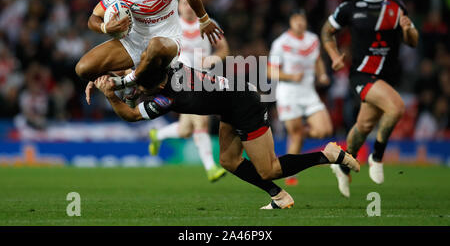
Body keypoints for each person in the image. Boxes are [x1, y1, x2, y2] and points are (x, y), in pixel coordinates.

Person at [90, 60, 360, 209]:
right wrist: (101, 78)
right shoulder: (169, 67)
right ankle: (280, 196)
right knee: (229, 161)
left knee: (269, 169)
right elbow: (133, 66)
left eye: (136, 88)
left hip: (245, 104)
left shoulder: (166, 99)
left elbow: (132, 116)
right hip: (232, 102)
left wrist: (111, 95)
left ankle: (328, 155)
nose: (135, 92)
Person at [321, 0, 419, 197]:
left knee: (363, 125)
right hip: (362, 74)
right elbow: (327, 31)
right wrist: (334, 55)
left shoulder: (396, 8)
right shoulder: (349, 8)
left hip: (386, 77)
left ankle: (342, 164)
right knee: (396, 107)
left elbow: (412, 42)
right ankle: (377, 157)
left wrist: (408, 30)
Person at [75, 0, 223, 102]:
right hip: (135, 41)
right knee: (83, 69)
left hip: (168, 39)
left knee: (155, 44)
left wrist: (204, 19)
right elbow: (93, 18)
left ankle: (129, 82)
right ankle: (127, 77)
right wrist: (105, 27)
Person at [148, 0, 229, 182]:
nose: (189, 8)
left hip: (204, 79)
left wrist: (213, 59)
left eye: (192, 4)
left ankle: (158, 135)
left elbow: (223, 49)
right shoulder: (171, 26)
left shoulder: (208, 24)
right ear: (178, 6)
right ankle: (211, 168)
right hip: (181, 80)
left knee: (186, 129)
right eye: (185, 4)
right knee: (201, 122)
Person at [268, 12, 333, 186]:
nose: (299, 23)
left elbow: (317, 59)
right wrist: (290, 76)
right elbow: (270, 71)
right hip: (288, 93)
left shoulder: (312, 39)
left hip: (308, 92)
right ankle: (290, 176)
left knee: (324, 130)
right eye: (296, 20)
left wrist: (323, 74)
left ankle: (299, 132)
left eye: (302, 19)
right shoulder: (281, 43)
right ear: (290, 22)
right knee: (295, 135)